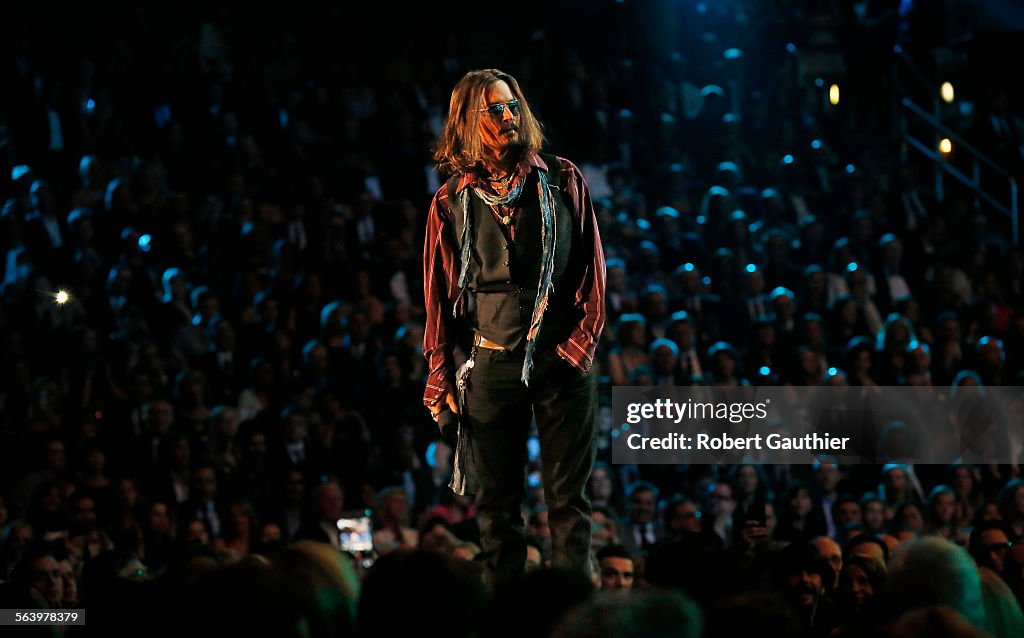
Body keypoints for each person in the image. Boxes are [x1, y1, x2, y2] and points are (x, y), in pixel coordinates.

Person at [422, 68, 606, 583]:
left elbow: (592, 269)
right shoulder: (449, 201)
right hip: (491, 360)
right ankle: (507, 619)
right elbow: (437, 297)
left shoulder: (562, 178)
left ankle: (573, 612)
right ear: (467, 122)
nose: (507, 116)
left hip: (561, 358)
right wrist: (439, 378)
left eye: (511, 106)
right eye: (494, 109)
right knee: (497, 510)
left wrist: (579, 345)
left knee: (569, 502)